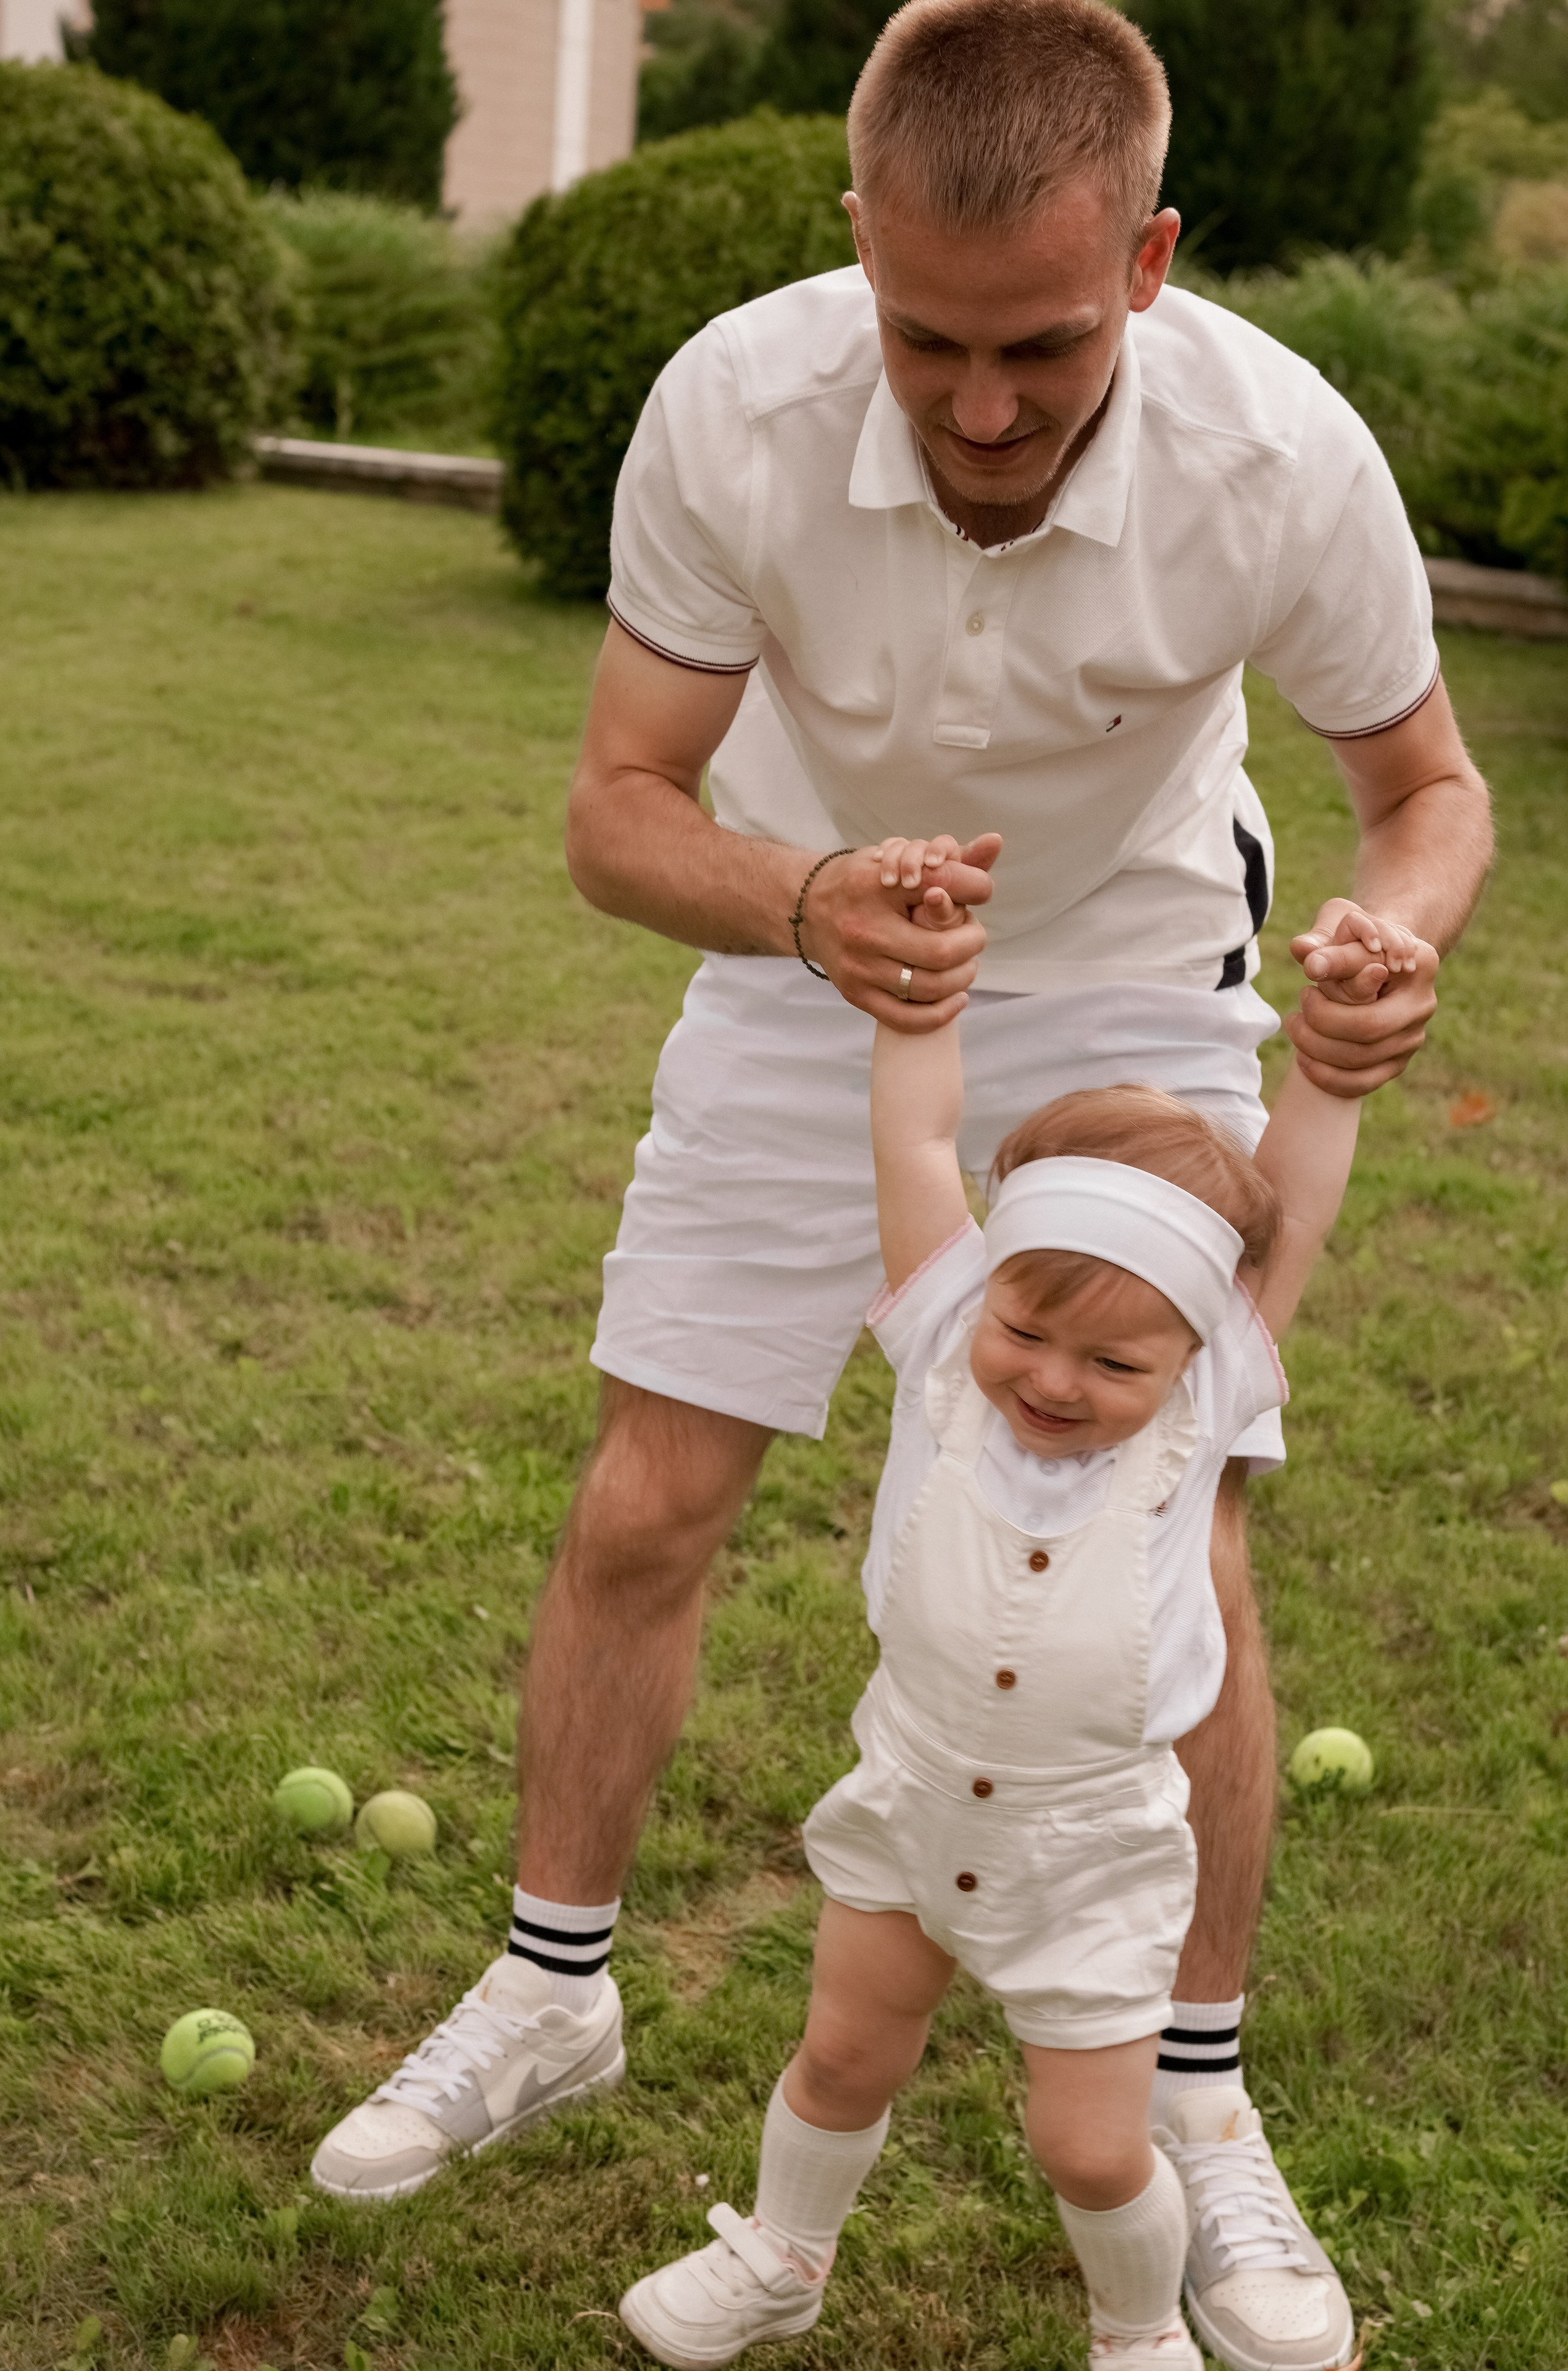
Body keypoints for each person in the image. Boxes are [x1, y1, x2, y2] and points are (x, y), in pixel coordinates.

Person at [311, 2, 1492, 2362]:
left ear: (1149, 260)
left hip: (1148, 974)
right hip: (816, 940)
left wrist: (1390, 954)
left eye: (1041, 343)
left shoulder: (1284, 454)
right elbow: (619, 806)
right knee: (653, 1492)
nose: (978, 405)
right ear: (853, 239)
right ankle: (553, 1988)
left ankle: (1202, 2092)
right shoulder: (731, 411)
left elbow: (1427, 794)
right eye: (926, 335)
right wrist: (803, 903)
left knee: (1197, 1538)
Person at [617, 851, 1406, 2371]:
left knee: (1093, 2149)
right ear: (982, 1288)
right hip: (908, 1795)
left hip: (1089, 1844)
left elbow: (1289, 1218)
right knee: (842, 2053)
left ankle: (1132, 2332)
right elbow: (914, 1137)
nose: (1053, 1382)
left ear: (1190, 1362)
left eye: (1111, 1368)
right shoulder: (937, 1338)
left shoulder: (1208, 1396)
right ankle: (784, 2252)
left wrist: (1332, 1065)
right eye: (1028, 1332)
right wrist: (918, 980)